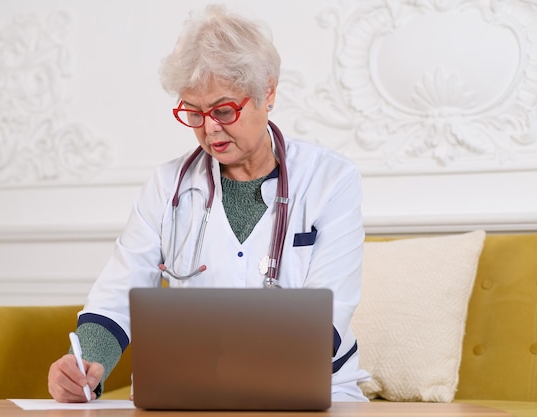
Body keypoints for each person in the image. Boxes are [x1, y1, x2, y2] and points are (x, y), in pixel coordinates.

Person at [48, 4, 369, 403]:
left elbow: (329, 312)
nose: (209, 128)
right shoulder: (167, 186)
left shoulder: (330, 180)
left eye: (223, 109)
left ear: (266, 93)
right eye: (194, 113)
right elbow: (119, 290)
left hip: (314, 389)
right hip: (193, 390)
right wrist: (87, 366)